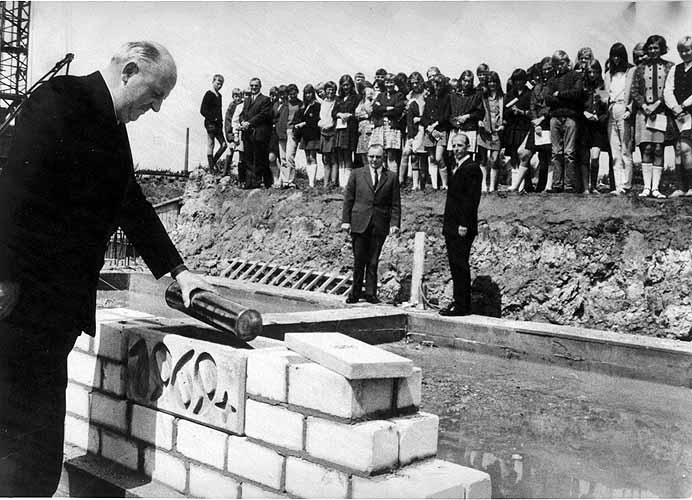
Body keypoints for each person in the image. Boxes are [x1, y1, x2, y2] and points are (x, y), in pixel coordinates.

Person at [0, 41, 211, 497]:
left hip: (54, 314)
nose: (155, 109)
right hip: (21, 307)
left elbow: (130, 205)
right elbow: (15, 189)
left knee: (35, 449)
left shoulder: (112, 129)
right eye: (155, 95)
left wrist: (178, 270)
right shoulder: (60, 100)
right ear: (130, 70)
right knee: (18, 446)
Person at [341, 144, 401, 304]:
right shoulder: (357, 174)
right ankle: (354, 293)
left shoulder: (392, 177)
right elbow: (349, 199)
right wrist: (346, 221)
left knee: (373, 261)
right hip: (359, 222)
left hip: (379, 223)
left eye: (378, 157)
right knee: (359, 260)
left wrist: (395, 223)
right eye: (371, 157)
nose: (374, 160)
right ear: (367, 157)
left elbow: (395, 204)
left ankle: (370, 293)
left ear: (384, 158)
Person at [439, 133, 482, 317]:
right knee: (455, 265)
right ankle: (459, 302)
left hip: (461, 227)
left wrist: (464, 223)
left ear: (467, 147)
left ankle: (462, 306)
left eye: (460, 146)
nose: (456, 149)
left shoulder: (471, 168)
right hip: (452, 225)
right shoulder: (456, 167)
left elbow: (471, 199)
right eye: (454, 146)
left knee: (460, 265)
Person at [631, 34, 675, 198]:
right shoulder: (640, 67)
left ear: (662, 49)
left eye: (656, 47)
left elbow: (671, 88)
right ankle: (646, 187)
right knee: (646, 148)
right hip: (643, 113)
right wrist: (643, 105)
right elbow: (635, 90)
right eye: (650, 48)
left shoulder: (670, 67)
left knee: (658, 148)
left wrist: (657, 104)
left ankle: (656, 188)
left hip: (661, 112)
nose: (653, 51)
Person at [546, 50, 584, 193]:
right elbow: (548, 98)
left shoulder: (575, 76)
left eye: (562, 63)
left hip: (570, 117)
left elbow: (577, 94)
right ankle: (557, 184)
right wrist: (564, 97)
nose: (560, 67)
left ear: (567, 62)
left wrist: (560, 94)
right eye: (557, 64)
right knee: (556, 152)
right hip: (555, 118)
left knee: (569, 152)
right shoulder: (552, 80)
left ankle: (569, 185)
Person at [605, 42, 636, 195]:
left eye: (619, 56)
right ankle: (617, 186)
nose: (616, 59)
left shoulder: (631, 71)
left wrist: (630, 108)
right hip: (611, 111)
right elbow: (605, 94)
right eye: (613, 56)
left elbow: (635, 92)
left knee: (626, 150)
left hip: (624, 109)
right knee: (615, 151)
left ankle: (626, 184)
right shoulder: (608, 73)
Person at [664, 35, 692, 197]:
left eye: (687, 50)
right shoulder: (676, 69)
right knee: (678, 150)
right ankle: (680, 187)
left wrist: (683, 106)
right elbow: (668, 90)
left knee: (687, 149)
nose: (684, 54)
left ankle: (690, 187)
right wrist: (675, 107)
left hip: (690, 113)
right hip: (677, 115)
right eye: (681, 51)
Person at [578, 59, 609, 193]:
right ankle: (586, 187)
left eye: (594, 72)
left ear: (599, 72)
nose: (591, 75)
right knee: (584, 158)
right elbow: (576, 106)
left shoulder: (602, 87)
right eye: (589, 72)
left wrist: (599, 117)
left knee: (595, 157)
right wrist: (583, 113)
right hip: (584, 126)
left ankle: (594, 185)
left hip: (597, 127)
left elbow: (606, 109)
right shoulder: (582, 86)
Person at [505, 69, 535, 192]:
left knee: (523, 156)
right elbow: (504, 112)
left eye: (521, 80)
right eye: (516, 80)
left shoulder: (529, 94)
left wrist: (521, 112)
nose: (518, 83)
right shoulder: (510, 94)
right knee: (513, 156)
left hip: (524, 128)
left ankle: (525, 185)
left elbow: (532, 112)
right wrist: (511, 111)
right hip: (512, 129)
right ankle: (515, 183)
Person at [240, 77, 273, 188]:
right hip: (247, 134)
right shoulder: (247, 100)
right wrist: (243, 122)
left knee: (260, 159)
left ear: (260, 86)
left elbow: (263, 115)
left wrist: (249, 123)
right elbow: (243, 114)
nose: (254, 87)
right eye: (252, 85)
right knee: (248, 159)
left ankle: (260, 182)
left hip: (259, 134)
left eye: (256, 85)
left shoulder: (265, 99)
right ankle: (250, 183)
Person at [371, 73, 406, 178]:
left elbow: (398, 110)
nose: (389, 85)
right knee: (380, 154)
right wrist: (387, 108)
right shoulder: (380, 95)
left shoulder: (399, 95)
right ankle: (381, 179)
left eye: (391, 82)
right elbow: (375, 109)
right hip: (380, 127)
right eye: (387, 82)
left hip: (392, 127)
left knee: (391, 156)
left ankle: (393, 180)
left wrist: (383, 108)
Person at [421, 73, 451, 189]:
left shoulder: (447, 98)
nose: (438, 87)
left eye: (440, 85)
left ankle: (445, 184)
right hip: (430, 131)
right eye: (436, 84)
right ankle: (434, 185)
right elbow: (424, 116)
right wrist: (428, 126)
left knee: (439, 158)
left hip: (441, 130)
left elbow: (447, 115)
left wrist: (435, 124)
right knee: (432, 159)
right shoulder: (429, 99)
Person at [477, 71, 505, 192]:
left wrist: (504, 124)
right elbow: (477, 111)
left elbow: (507, 115)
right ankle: (484, 184)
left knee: (494, 159)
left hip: (496, 131)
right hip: (484, 130)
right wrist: (479, 121)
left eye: (494, 81)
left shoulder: (503, 97)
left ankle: (493, 186)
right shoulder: (482, 96)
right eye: (489, 82)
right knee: (482, 159)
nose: (492, 84)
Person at [333, 74, 359, 187]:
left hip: (350, 129)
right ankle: (341, 182)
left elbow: (357, 113)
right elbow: (333, 112)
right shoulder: (338, 99)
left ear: (351, 85)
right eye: (343, 85)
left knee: (348, 155)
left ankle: (347, 183)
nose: (345, 87)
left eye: (347, 85)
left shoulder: (356, 97)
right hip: (339, 130)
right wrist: (339, 114)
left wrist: (349, 115)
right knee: (340, 155)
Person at [294, 83, 321, 187]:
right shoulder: (304, 106)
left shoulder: (316, 105)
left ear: (313, 93)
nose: (308, 95)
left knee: (312, 156)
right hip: (305, 135)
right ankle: (310, 181)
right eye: (306, 93)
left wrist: (304, 123)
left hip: (313, 134)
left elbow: (315, 120)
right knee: (307, 157)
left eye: (310, 93)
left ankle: (312, 183)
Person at [200, 74, 227, 173]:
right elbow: (202, 110)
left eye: (221, 84)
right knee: (211, 144)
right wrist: (213, 118)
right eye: (218, 83)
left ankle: (212, 164)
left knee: (224, 145)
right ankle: (211, 169)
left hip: (218, 125)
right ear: (213, 82)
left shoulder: (219, 96)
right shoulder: (209, 94)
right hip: (210, 124)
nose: (219, 86)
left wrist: (220, 121)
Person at [282, 83, 302, 188]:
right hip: (283, 130)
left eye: (294, 93)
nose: (292, 96)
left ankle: (291, 180)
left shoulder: (301, 104)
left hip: (293, 131)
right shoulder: (285, 103)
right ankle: (284, 180)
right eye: (290, 94)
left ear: (297, 93)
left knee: (290, 156)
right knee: (283, 157)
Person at [319, 80, 338, 187]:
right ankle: (325, 184)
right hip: (323, 131)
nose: (330, 91)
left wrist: (330, 125)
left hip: (332, 131)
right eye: (328, 89)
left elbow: (334, 117)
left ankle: (333, 182)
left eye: (332, 89)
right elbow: (322, 116)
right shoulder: (324, 102)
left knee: (333, 158)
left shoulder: (337, 101)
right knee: (325, 159)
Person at [223, 87, 246, 179]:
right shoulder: (231, 106)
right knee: (230, 149)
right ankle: (225, 172)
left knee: (241, 153)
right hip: (233, 132)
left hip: (241, 131)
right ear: (233, 97)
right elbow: (228, 121)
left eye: (239, 96)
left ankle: (241, 175)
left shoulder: (243, 105)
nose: (237, 98)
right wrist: (230, 135)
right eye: (235, 96)